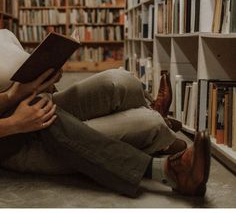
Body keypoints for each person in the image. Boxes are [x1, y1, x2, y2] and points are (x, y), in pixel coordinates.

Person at [0, 29, 211, 197]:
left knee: (120, 81)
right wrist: (14, 123)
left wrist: (41, 81)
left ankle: (156, 117)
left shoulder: (5, 34)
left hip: (26, 100)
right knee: (147, 124)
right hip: (11, 136)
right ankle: (168, 172)